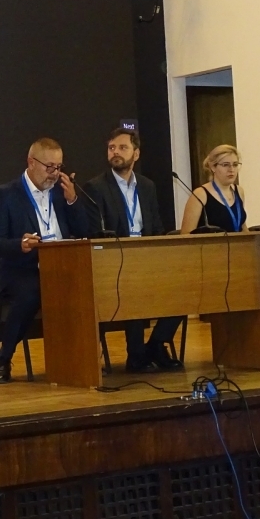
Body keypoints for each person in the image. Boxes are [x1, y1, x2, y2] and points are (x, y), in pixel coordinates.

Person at [0, 138, 89, 384]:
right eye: (49, 166)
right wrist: (19, 244)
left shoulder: (62, 192)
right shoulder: (6, 195)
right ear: (31, 162)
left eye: (58, 167)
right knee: (32, 292)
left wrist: (73, 200)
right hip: (23, 269)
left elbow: (85, 232)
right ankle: (4, 358)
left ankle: (85, 360)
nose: (54, 173)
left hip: (63, 267)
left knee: (90, 286)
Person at [83, 126, 184, 372]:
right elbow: (97, 232)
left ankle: (157, 344)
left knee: (183, 286)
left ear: (136, 154)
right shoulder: (96, 187)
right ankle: (136, 355)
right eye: (111, 148)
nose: (115, 152)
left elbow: (156, 227)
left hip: (147, 258)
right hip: (116, 262)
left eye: (122, 147)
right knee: (134, 285)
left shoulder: (147, 186)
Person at [180, 144, 247, 233]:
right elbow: (185, 234)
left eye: (235, 165)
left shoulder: (239, 191)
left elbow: (242, 226)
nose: (231, 169)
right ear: (213, 167)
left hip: (238, 242)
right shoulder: (200, 194)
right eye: (225, 165)